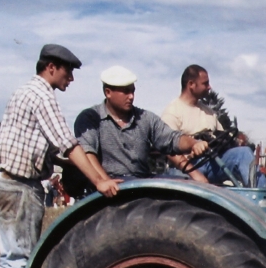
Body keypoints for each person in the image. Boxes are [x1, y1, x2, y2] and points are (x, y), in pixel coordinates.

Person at [0, 44, 120, 268]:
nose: (71, 78)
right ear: (52, 67)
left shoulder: (25, 91)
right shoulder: (43, 96)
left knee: (10, 257)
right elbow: (67, 144)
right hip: (20, 186)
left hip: (4, 181)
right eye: (68, 72)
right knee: (21, 259)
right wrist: (100, 181)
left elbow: (55, 151)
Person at [73, 65, 209, 182]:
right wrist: (105, 183)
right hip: (113, 182)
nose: (131, 96)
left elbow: (172, 139)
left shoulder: (145, 118)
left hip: (141, 180)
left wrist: (193, 143)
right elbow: (87, 154)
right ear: (108, 92)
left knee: (187, 185)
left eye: (132, 91)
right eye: (126, 92)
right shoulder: (90, 119)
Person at [161, 65, 256, 186]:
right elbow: (169, 151)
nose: (209, 87)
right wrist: (195, 171)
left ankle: (263, 198)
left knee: (243, 153)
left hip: (212, 162)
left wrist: (237, 141)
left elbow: (223, 137)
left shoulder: (209, 112)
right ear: (191, 84)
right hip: (186, 168)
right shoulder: (172, 112)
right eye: (205, 83)